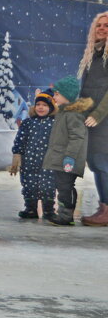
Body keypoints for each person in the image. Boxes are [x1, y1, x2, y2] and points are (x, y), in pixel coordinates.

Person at [42, 76, 93, 226]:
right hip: (60, 158)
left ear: (67, 96)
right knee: (62, 185)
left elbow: (77, 137)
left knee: (65, 186)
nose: (54, 96)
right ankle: (64, 213)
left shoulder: (73, 114)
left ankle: (66, 215)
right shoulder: (63, 112)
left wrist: (69, 157)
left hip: (68, 160)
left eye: (57, 94)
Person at [76, 12, 108, 226]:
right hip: (90, 120)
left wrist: (98, 114)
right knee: (96, 164)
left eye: (107, 26)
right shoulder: (93, 55)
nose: (102, 29)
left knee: (101, 162)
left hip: (103, 121)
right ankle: (104, 205)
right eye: (99, 25)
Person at [9, 92, 57, 220]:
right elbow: (19, 140)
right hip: (29, 162)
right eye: (38, 104)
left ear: (51, 108)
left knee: (48, 186)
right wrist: (17, 154)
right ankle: (30, 209)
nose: (40, 107)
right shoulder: (27, 123)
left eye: (45, 105)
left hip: (48, 163)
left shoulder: (55, 123)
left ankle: (48, 210)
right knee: (29, 186)